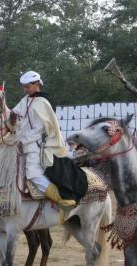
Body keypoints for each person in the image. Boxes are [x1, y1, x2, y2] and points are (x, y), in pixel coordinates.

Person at [10, 71, 87, 209]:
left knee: (32, 174)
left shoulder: (43, 102)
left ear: (37, 84)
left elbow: (40, 129)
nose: (25, 89)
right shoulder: (25, 100)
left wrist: (22, 140)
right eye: (24, 86)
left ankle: (62, 201)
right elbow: (14, 114)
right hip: (23, 144)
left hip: (39, 146)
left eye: (27, 86)